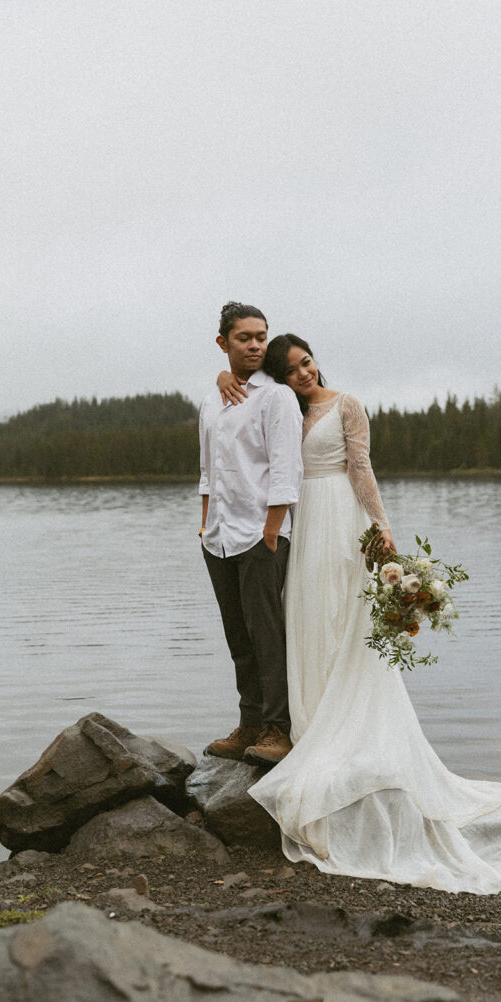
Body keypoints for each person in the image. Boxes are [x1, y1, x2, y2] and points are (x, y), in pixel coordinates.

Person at [218, 334, 501, 894]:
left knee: (348, 621)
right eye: (292, 368)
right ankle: (308, 721)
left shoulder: (346, 404)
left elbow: (361, 467)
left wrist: (382, 529)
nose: (305, 372)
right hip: (302, 522)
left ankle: (348, 730)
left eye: (307, 361)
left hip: (341, 518)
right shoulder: (277, 406)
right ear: (279, 377)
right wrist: (225, 380)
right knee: (307, 620)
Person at [199, 305, 303, 766]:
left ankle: (278, 730)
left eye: (262, 336)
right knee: (238, 637)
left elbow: (285, 470)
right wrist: (205, 524)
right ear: (223, 343)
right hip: (218, 537)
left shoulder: (275, 397)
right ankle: (249, 724)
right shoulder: (212, 400)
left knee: (267, 636)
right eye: (244, 337)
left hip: (261, 537)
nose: (257, 344)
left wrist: (272, 532)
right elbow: (207, 471)